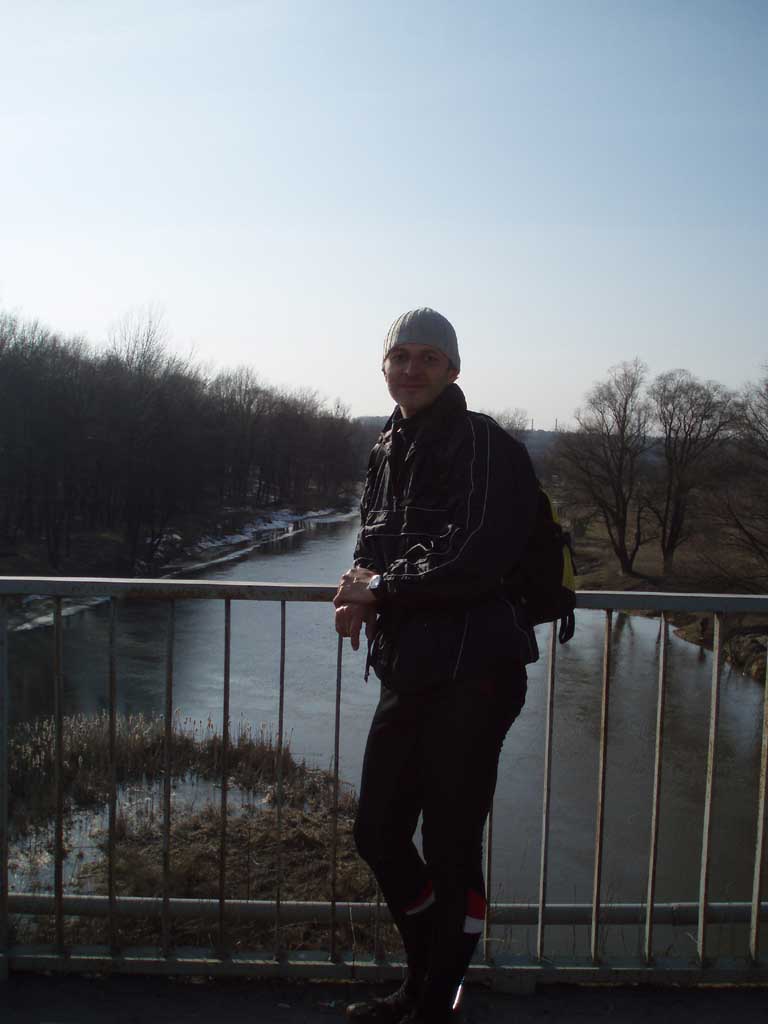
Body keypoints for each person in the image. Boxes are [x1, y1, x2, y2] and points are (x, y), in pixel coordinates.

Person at [334, 308, 539, 1024]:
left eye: (428, 357)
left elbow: (476, 556)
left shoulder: (484, 444)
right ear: (384, 366)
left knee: (451, 845)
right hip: (411, 667)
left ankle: (431, 1002)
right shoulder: (386, 446)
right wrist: (357, 584)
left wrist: (383, 590)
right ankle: (429, 977)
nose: (412, 369)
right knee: (378, 833)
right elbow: (375, 541)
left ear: (453, 369)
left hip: (478, 671)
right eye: (401, 356)